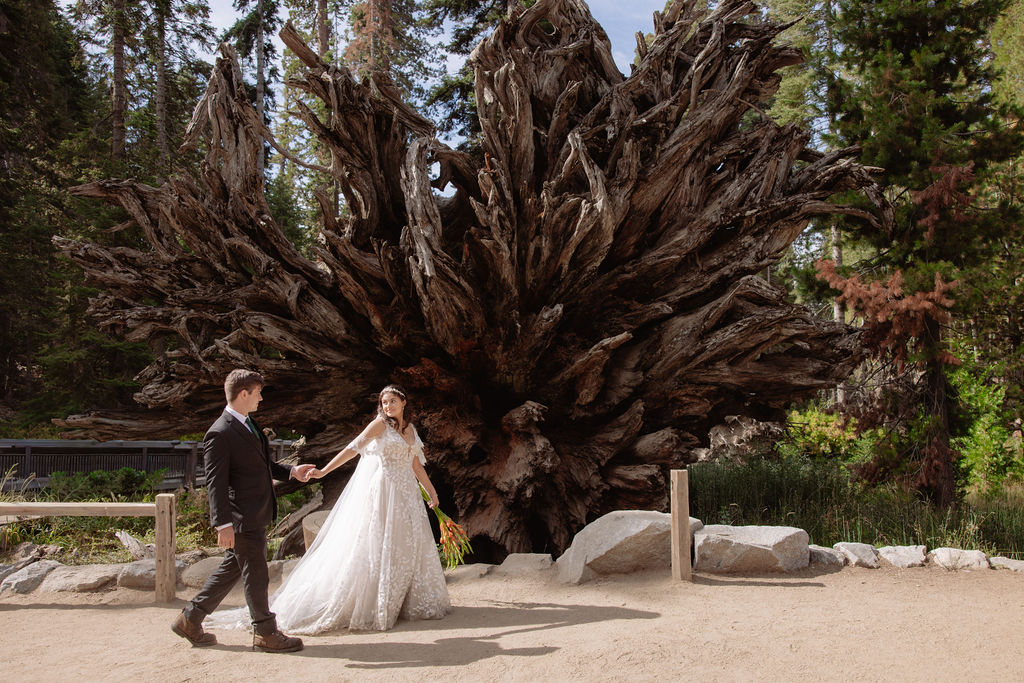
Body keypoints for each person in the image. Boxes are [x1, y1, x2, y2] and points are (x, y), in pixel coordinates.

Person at [205, 384, 451, 635]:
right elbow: (351, 449)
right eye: (384, 402)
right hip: (385, 492)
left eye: (392, 402)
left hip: (407, 494)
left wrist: (432, 491)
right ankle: (376, 603)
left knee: (405, 545)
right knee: (378, 544)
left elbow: (415, 465)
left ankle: (402, 601)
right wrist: (323, 471)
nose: (387, 407)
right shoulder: (380, 425)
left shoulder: (410, 430)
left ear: (403, 402)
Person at [171, 369, 315, 652]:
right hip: (241, 517)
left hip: (254, 512)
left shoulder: (249, 423)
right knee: (257, 573)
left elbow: (264, 466)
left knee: (232, 568)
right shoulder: (219, 432)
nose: (261, 398)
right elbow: (216, 482)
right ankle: (265, 632)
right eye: (258, 393)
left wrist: (292, 471)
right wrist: (222, 523)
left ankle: (190, 619)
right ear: (243, 393)